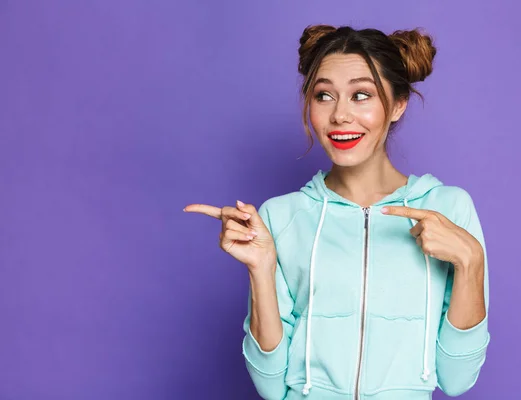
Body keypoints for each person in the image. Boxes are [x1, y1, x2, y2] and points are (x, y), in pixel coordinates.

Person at [184, 25, 490, 400]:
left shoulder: (446, 208)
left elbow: (457, 379)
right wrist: (262, 269)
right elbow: (270, 385)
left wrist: (471, 261)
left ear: (397, 104)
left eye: (361, 95)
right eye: (324, 95)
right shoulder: (281, 216)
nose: (340, 115)